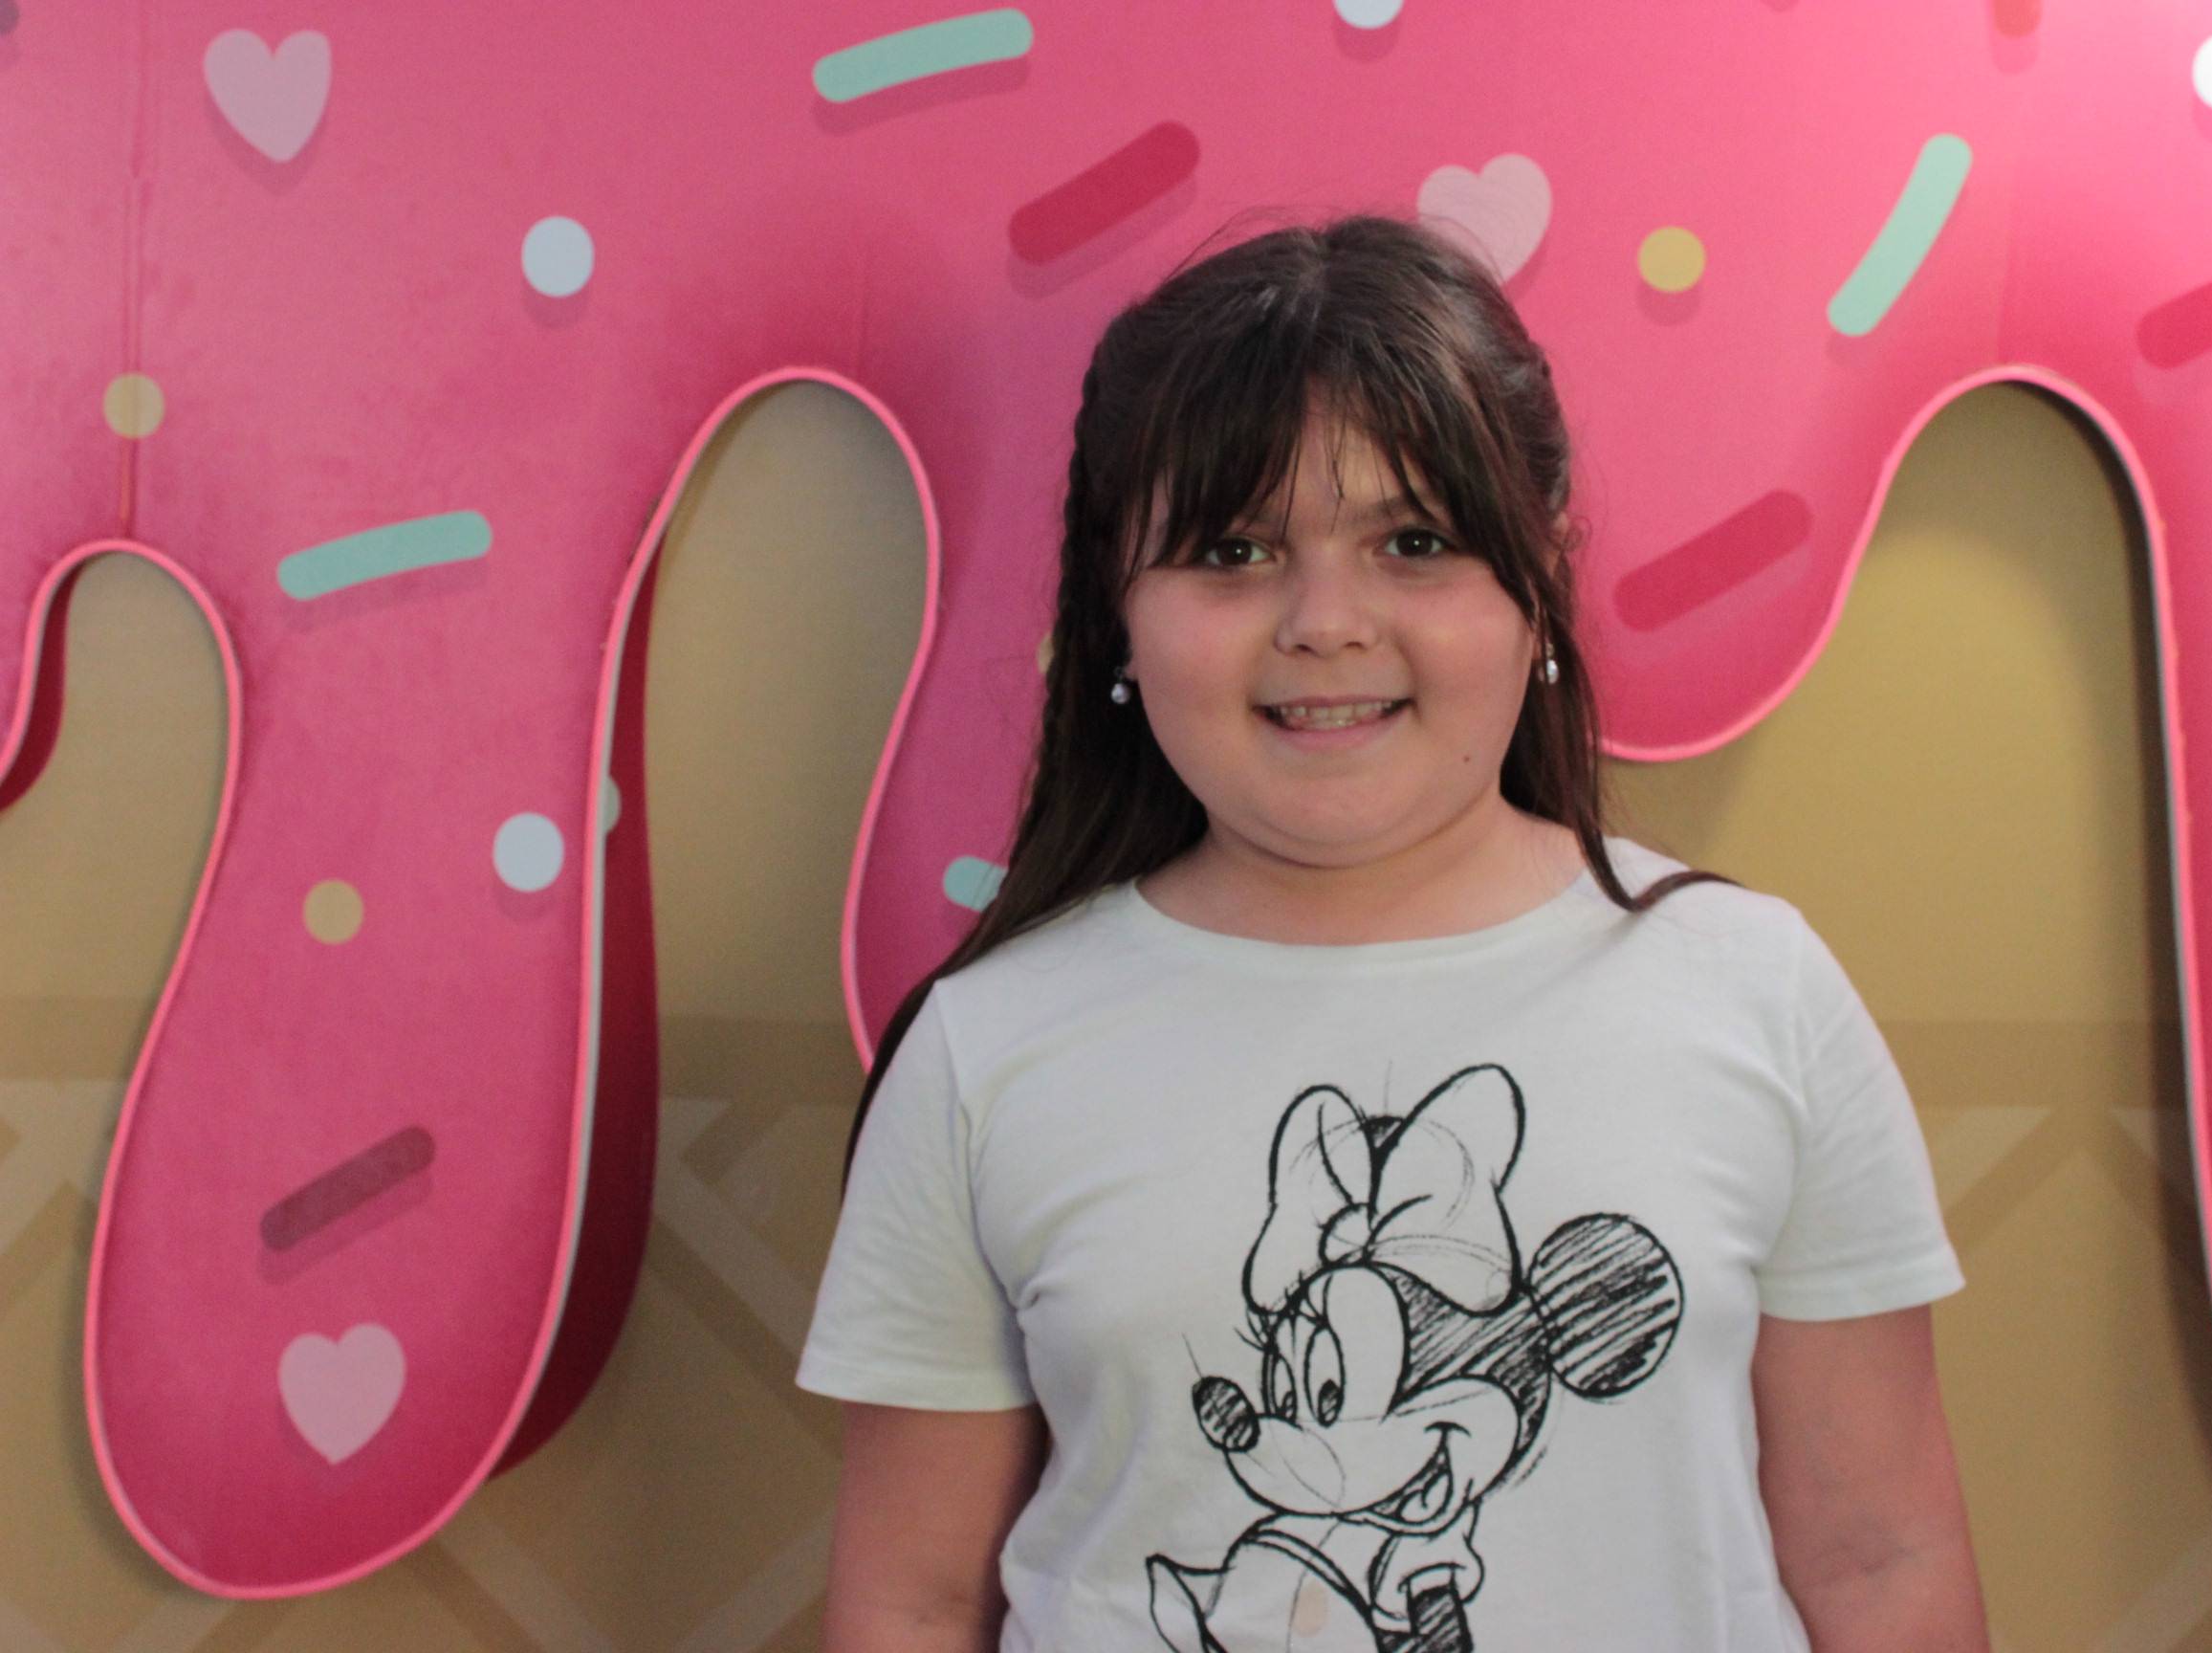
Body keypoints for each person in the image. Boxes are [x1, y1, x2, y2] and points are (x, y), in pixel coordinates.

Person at [799, 209, 1990, 1652]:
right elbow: (915, 1600)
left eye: (1413, 542)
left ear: (1538, 580)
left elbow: (1880, 1559)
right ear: (1118, 611)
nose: (1326, 622)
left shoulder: (1755, 992)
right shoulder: (985, 1048)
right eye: (1233, 550)